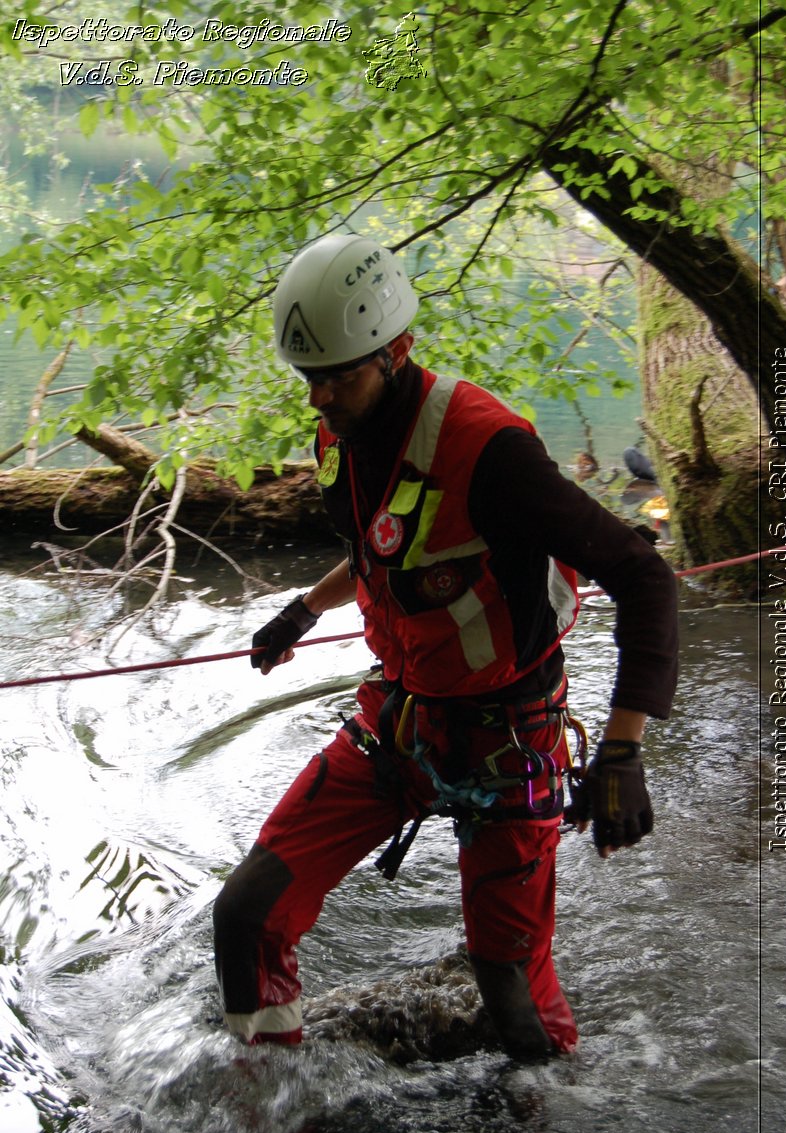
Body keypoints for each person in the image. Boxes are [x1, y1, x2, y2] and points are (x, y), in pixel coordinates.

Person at [212, 234, 679, 1060]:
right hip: (399, 718)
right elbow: (379, 548)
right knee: (247, 912)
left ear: (396, 351)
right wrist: (301, 612)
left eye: (339, 376)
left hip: (508, 736)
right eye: (308, 379)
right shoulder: (342, 437)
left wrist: (621, 755)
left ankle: (542, 1122)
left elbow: (644, 579)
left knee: (505, 980)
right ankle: (271, 1107)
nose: (320, 398)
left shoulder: (490, 450)